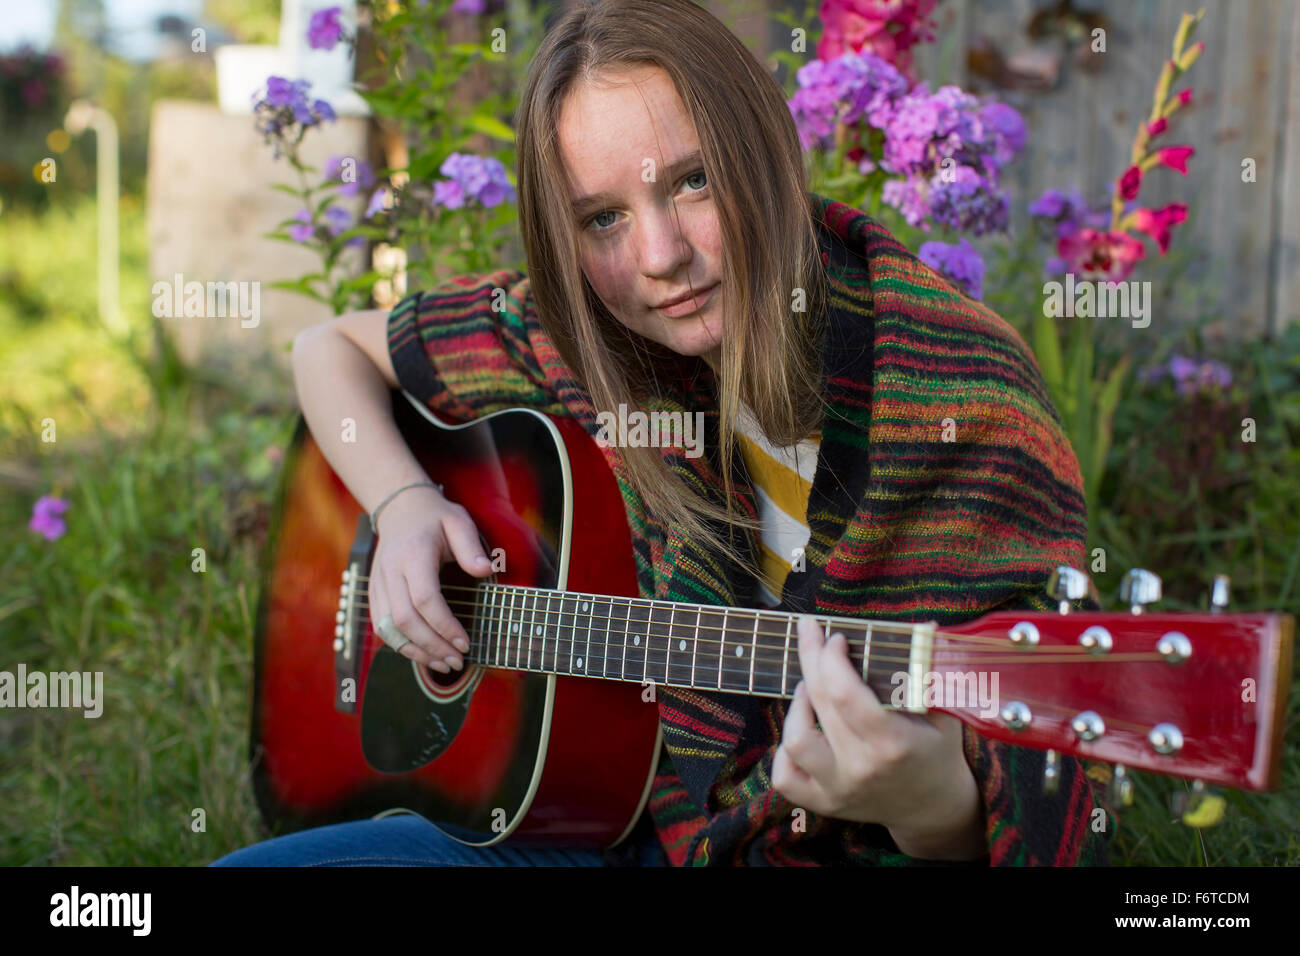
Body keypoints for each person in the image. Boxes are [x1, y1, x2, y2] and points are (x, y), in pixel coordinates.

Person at [213, 0, 1115, 867]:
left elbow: (1057, 795)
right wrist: (404, 503)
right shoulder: (581, 333)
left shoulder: (954, 389)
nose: (658, 258)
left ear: (765, 152)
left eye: (693, 182)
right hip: (591, 822)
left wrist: (935, 809)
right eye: (601, 217)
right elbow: (328, 348)